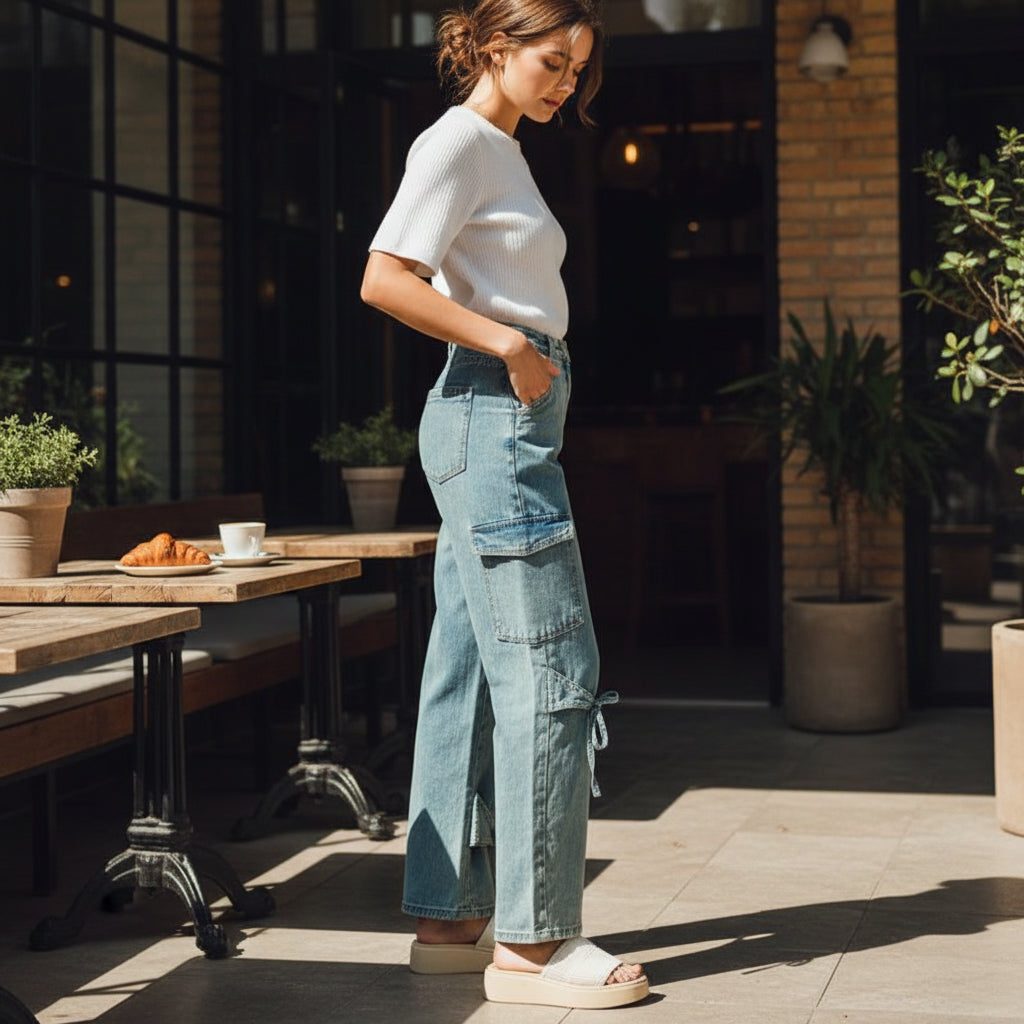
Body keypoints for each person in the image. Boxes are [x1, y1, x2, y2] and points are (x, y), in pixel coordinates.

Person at [360, 0, 648, 1010]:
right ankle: (533, 944)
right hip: (494, 418)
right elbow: (385, 278)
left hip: (498, 419)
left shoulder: (499, 151)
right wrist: (510, 344)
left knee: (474, 670)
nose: (567, 82)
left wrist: (519, 357)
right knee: (552, 670)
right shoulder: (458, 143)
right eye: (553, 61)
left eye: (578, 69)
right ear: (494, 47)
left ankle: (448, 918)